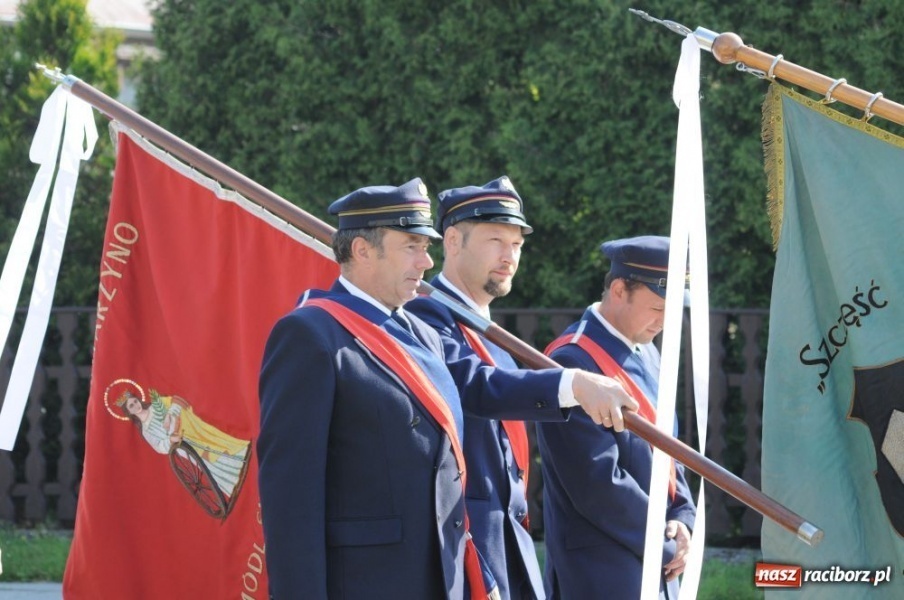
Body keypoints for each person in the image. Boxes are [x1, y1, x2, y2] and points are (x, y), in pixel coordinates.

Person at [257, 178, 638, 599]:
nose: (425, 262)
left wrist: (572, 384)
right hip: (368, 583)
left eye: (426, 247)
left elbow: (475, 393)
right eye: (411, 246)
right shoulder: (311, 333)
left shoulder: (420, 332)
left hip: (443, 575)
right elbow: (291, 495)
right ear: (362, 250)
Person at [536, 235, 697, 600]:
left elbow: (667, 447)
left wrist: (683, 517)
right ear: (620, 290)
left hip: (655, 553)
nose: (665, 321)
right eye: (658, 308)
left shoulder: (645, 348)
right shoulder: (572, 359)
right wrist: (665, 543)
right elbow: (596, 481)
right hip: (601, 569)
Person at [406, 176, 543, 599]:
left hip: (508, 547)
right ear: (452, 241)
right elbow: (478, 386)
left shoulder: (490, 334)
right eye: (495, 240)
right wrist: (569, 386)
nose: (509, 256)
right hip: (463, 551)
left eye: (517, 243)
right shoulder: (427, 317)